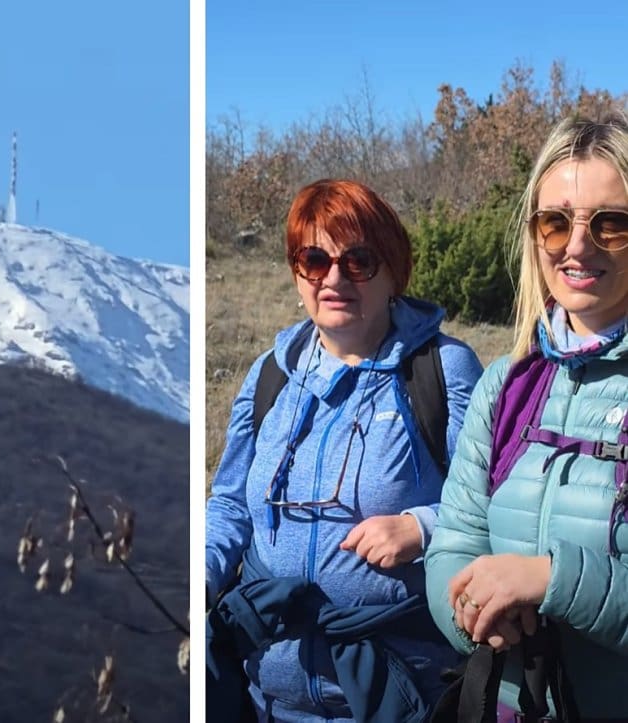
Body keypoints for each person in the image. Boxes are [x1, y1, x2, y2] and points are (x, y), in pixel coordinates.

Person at [205, 179, 483, 722]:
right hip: (267, 697)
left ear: (393, 271)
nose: (334, 278)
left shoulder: (440, 371)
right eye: (314, 259)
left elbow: (489, 507)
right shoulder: (269, 376)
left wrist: (422, 527)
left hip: (399, 695)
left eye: (358, 261)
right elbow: (231, 506)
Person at [425, 112, 628, 720]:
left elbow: (545, 578)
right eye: (555, 222)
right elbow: (454, 544)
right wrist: (474, 611)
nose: (576, 246)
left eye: (611, 225)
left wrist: (551, 580)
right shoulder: (508, 384)